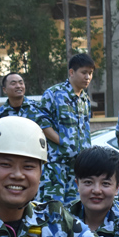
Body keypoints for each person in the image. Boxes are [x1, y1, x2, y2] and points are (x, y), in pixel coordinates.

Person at [33, 53, 95, 204]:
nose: (87, 77)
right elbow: (42, 123)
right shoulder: (54, 94)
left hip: (78, 166)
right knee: (52, 207)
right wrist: (62, 142)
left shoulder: (85, 99)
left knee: (74, 207)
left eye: (90, 73)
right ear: (71, 72)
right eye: (84, 72)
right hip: (56, 164)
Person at [69, 146, 119, 237]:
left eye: (105, 183)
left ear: (117, 188)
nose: (97, 190)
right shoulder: (63, 218)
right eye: (88, 182)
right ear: (78, 185)